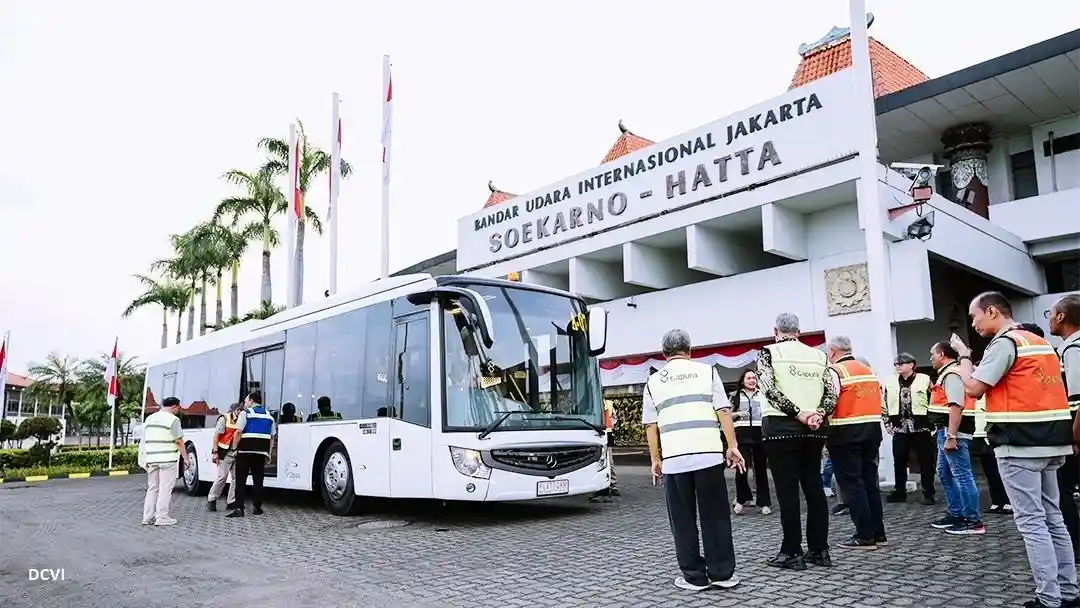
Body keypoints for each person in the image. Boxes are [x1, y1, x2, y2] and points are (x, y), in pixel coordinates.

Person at [951, 291, 1078, 608]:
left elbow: (974, 387)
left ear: (991, 311)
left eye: (975, 316)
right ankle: (1070, 592)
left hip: (1019, 445)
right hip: (1051, 441)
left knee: (1033, 524)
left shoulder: (1006, 342)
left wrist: (964, 357)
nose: (974, 323)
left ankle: (1049, 598)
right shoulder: (1040, 343)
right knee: (1054, 518)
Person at [643, 328, 744, 592]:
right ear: (690, 350)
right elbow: (723, 410)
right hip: (708, 456)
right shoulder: (708, 372)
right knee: (716, 516)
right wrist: (731, 445)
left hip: (675, 460)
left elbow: (651, 425)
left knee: (683, 520)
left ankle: (694, 577)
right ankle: (722, 573)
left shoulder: (653, 382)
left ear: (664, 353)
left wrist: (656, 459)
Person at [757, 312, 837, 570]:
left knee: (788, 491)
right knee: (814, 487)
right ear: (799, 332)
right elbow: (832, 391)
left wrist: (797, 413)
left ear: (775, 330)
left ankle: (792, 551)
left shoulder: (768, 353)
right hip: (814, 428)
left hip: (781, 427)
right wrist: (819, 413)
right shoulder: (819, 355)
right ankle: (819, 550)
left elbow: (769, 389)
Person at [823, 335, 886, 550]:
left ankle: (864, 535)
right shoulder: (867, 369)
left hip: (844, 433)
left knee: (852, 484)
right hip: (871, 430)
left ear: (832, 352)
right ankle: (878, 532)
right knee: (870, 483)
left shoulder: (835, 371)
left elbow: (828, 401)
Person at [927, 341, 984, 535]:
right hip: (945, 431)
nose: (931, 358)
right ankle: (957, 514)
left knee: (961, 475)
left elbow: (956, 406)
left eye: (932, 354)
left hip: (953, 432)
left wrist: (951, 436)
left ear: (942, 354)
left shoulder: (952, 374)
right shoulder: (949, 372)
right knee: (945, 473)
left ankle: (972, 520)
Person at [882, 353, 936, 506]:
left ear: (911, 365)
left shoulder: (924, 379)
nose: (898, 366)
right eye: (896, 364)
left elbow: (933, 400)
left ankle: (928, 493)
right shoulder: (890, 381)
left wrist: (933, 423)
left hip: (921, 426)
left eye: (901, 363)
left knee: (925, 461)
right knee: (899, 460)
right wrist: (887, 423)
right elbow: (884, 402)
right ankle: (900, 491)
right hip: (899, 426)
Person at [1050, 295, 1080, 560]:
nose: (1049, 317)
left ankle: (1074, 547)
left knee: (1063, 492)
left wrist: (1074, 438)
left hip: (1076, 435)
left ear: (1061, 316)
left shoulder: (1073, 348)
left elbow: (1079, 399)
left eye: (1051, 312)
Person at [227, 391, 276, 518]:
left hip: (244, 452)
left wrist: (234, 448)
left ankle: (239, 509)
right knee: (258, 481)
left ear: (252, 401)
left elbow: (238, 432)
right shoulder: (269, 416)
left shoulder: (246, 413)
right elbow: (272, 437)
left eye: (247, 400)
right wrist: (269, 454)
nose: (245, 403)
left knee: (240, 481)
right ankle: (257, 508)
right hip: (261, 454)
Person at [141, 396, 188, 526]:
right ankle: (161, 517)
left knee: (152, 488)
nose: (179, 410)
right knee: (165, 489)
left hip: (152, 459)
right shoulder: (173, 420)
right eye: (178, 408)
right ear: (174, 407)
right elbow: (178, 441)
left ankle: (147, 517)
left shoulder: (150, 418)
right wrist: (186, 457)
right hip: (167, 460)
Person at [730, 369, 771, 515]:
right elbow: (727, 415)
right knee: (741, 468)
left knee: (761, 470)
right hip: (742, 435)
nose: (752, 380)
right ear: (743, 380)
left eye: (754, 378)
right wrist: (739, 414)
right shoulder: (735, 396)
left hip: (760, 434)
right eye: (749, 378)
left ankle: (764, 502)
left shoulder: (762, 395)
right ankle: (741, 499)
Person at [974, 391, 1012, 514]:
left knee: (1000, 471)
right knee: (990, 471)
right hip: (980, 435)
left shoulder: (994, 394)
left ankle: (1007, 502)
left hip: (993, 435)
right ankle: (996, 501)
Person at [207, 402, 242, 512]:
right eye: (239, 410)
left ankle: (231, 501)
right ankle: (212, 499)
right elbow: (216, 435)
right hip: (224, 453)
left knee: (236, 479)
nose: (241, 412)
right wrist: (215, 452)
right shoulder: (224, 419)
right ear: (234, 410)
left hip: (236, 453)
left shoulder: (241, 420)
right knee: (222, 477)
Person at [592, 399, 620, 501]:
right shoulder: (594, 401)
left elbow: (614, 418)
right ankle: (600, 485)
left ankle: (613, 484)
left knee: (610, 461)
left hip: (607, 433)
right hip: (597, 433)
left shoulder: (609, 404)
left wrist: (611, 424)